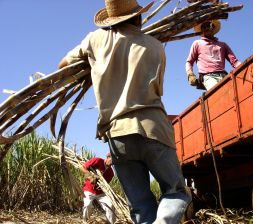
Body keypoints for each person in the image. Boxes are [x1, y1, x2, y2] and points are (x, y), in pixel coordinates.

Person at [58, 0, 191, 223]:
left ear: (110, 20)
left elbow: (63, 65)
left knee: (140, 204)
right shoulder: (155, 46)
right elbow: (158, 88)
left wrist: (96, 69)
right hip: (153, 128)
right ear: (138, 17)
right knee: (176, 192)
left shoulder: (95, 39)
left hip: (118, 135)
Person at [185, 20, 242, 91]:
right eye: (203, 27)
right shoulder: (197, 43)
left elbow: (234, 62)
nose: (206, 28)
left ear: (213, 28)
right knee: (218, 92)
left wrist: (244, 67)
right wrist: (190, 75)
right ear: (201, 30)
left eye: (209, 25)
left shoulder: (223, 45)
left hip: (223, 75)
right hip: (208, 77)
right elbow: (189, 62)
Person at [80, 153, 115, 223]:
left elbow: (105, 185)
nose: (112, 163)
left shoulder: (111, 173)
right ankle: (85, 221)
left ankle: (110, 222)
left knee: (110, 205)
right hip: (89, 190)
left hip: (100, 193)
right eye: (112, 160)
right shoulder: (97, 161)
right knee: (87, 205)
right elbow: (82, 167)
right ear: (108, 157)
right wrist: (90, 176)